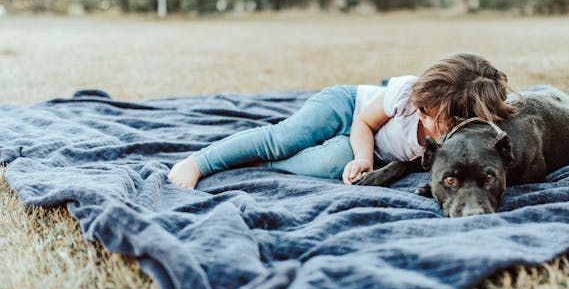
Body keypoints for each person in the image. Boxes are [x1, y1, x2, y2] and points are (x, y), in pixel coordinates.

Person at [167, 53, 515, 189]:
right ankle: (200, 161)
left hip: (370, 151)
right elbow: (364, 123)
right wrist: (362, 158)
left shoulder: (471, 133)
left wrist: (359, 161)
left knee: (330, 163)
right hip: (349, 107)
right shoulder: (408, 94)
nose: (421, 116)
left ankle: (260, 158)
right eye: (421, 110)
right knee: (286, 137)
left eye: (431, 116)